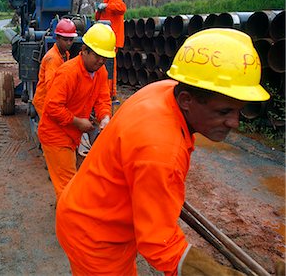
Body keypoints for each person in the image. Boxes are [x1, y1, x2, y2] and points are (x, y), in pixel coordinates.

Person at [56, 28, 270, 275]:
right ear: (187, 100)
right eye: (224, 112)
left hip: (92, 209)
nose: (235, 122)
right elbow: (159, 243)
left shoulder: (166, 90)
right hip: (95, 237)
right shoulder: (161, 151)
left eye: (238, 111)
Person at [37, 23, 116, 203]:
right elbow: (52, 107)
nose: (101, 61)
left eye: (105, 58)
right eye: (97, 56)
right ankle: (70, 224)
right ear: (84, 50)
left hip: (73, 134)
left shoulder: (100, 71)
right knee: (69, 189)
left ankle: (66, 211)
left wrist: (104, 117)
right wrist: (78, 122)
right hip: (55, 134)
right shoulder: (68, 73)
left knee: (71, 182)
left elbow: (103, 98)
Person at [32, 18, 78, 117]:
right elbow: (51, 86)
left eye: (71, 40)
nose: (69, 43)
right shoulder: (52, 58)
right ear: (57, 38)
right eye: (65, 40)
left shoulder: (65, 54)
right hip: (44, 101)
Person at [95, 0, 126, 99]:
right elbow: (98, 18)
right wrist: (99, 9)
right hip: (106, 39)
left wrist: (106, 6)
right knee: (106, 66)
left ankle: (110, 93)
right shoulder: (106, 0)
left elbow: (122, 8)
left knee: (110, 66)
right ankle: (106, 91)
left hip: (113, 39)